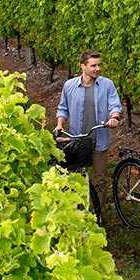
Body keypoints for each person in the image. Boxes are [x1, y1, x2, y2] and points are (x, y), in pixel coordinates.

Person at [55, 50, 123, 187]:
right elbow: (63, 108)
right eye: (93, 66)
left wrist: (114, 118)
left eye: (99, 65)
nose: (97, 69)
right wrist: (59, 124)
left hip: (99, 140)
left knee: (101, 180)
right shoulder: (69, 86)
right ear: (83, 66)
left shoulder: (107, 85)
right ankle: (77, 207)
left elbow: (115, 106)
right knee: (74, 180)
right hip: (77, 139)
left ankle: (99, 208)